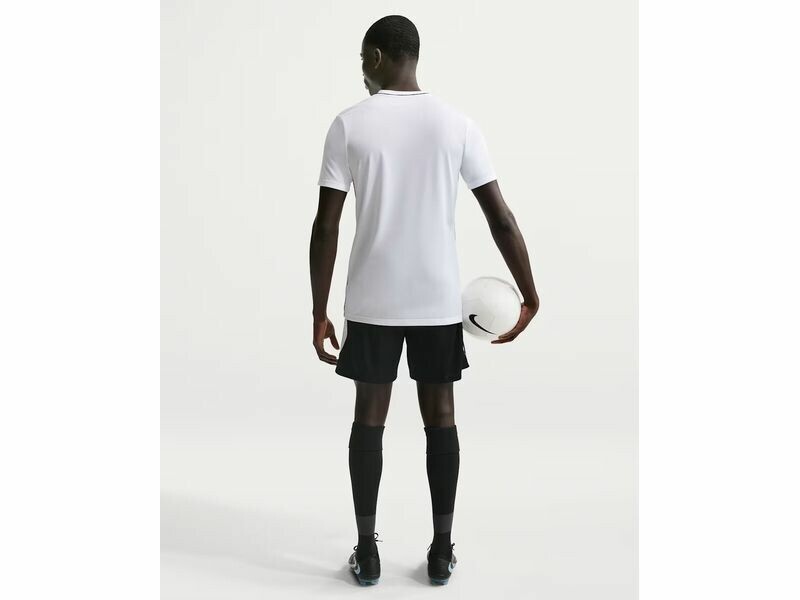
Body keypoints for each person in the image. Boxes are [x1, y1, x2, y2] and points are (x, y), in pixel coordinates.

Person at [309, 15, 539, 586]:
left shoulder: (349, 124)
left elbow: (326, 225)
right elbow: (501, 217)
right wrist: (530, 294)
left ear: (377, 57)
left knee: (369, 417)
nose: (362, 73)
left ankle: (368, 553)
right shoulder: (456, 125)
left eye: (363, 61)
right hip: (436, 301)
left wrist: (318, 310)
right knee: (441, 418)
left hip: (372, 301)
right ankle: (440, 552)